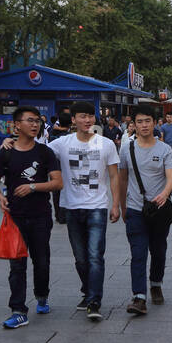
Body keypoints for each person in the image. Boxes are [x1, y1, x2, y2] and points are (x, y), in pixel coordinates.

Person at [0, 107, 63, 326]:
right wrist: (0, 199)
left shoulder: (44, 153)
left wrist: (32, 187)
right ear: (16, 125)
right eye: (30, 121)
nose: (35, 125)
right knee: (17, 265)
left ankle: (42, 295)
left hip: (40, 216)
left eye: (37, 121)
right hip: (15, 217)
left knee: (41, 262)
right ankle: (18, 310)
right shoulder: (6, 153)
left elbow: (58, 183)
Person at [50, 101, 121, 321]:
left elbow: (114, 176)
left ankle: (94, 300)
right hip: (72, 207)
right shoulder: (61, 144)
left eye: (90, 116)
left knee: (94, 256)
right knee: (80, 258)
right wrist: (9, 145)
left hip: (97, 207)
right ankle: (87, 289)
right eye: (82, 116)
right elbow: (35, 151)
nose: (87, 120)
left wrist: (115, 204)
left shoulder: (106, 144)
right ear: (73, 120)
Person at [117, 103, 172, 316]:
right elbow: (122, 178)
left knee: (158, 250)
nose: (144, 125)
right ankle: (139, 297)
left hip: (159, 210)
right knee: (138, 253)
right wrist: (121, 206)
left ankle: (156, 283)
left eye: (148, 121)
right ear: (133, 125)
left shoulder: (164, 149)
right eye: (139, 122)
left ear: (155, 123)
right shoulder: (126, 148)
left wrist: (165, 193)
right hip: (135, 209)